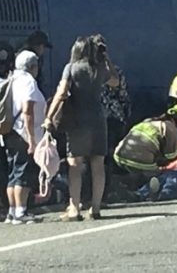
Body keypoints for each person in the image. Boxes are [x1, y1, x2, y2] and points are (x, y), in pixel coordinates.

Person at [43, 35, 116, 222]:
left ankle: (74, 208)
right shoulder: (99, 69)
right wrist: (106, 59)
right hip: (99, 121)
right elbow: (115, 81)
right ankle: (96, 208)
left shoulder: (71, 68)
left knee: (75, 166)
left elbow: (61, 93)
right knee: (98, 164)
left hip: (78, 123)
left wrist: (49, 117)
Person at [3, 41, 48, 224]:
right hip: (23, 132)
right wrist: (31, 139)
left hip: (10, 131)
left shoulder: (12, 79)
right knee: (23, 171)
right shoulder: (28, 82)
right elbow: (27, 110)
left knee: (13, 172)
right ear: (33, 66)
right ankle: (21, 212)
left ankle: (12, 211)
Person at [113, 105, 177, 178]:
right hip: (139, 161)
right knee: (161, 177)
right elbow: (171, 156)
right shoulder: (170, 127)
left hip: (118, 157)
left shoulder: (149, 121)